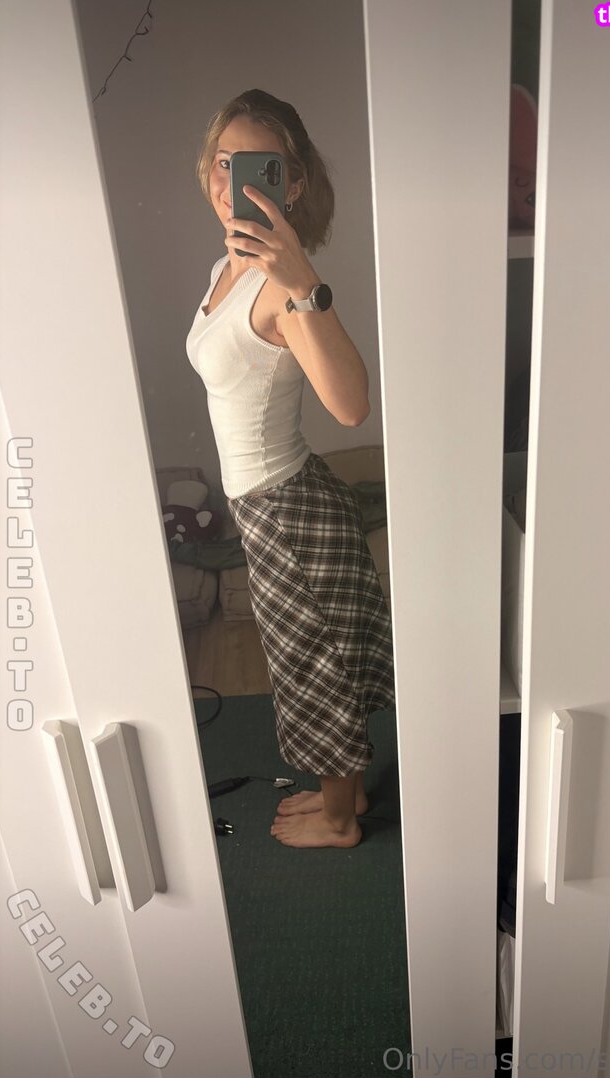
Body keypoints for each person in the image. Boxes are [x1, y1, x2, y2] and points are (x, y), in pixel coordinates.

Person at [186, 89, 396, 849]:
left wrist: (304, 280)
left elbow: (350, 406)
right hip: (268, 506)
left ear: (293, 183)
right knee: (315, 656)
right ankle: (347, 793)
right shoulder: (227, 266)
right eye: (222, 163)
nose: (230, 183)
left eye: (256, 168)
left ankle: (340, 819)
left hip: (287, 510)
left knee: (316, 665)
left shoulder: (282, 284)